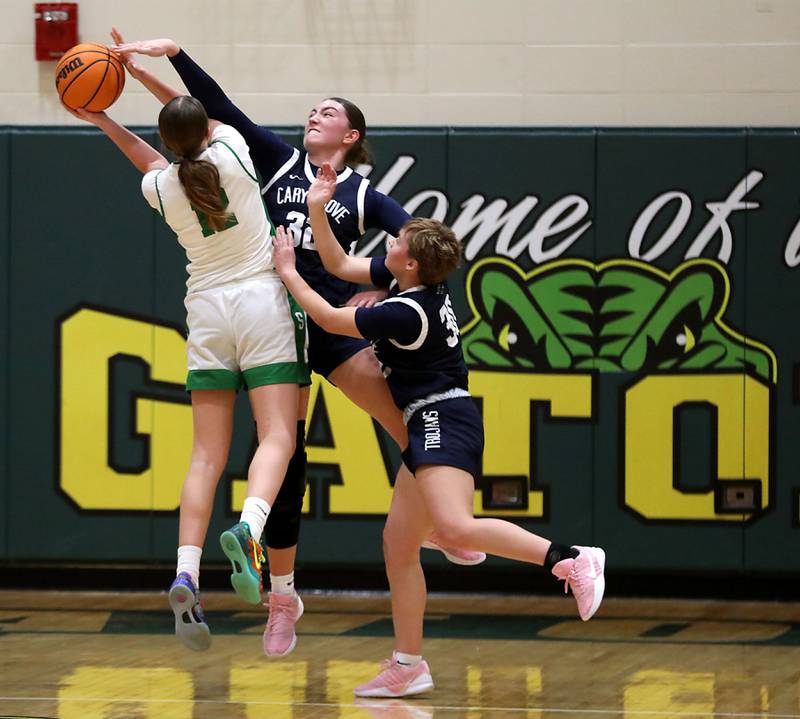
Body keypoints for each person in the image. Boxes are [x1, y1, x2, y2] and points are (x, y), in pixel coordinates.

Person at [110, 32, 485, 658]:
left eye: (330, 112)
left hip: (329, 327)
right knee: (287, 466)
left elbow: (422, 250)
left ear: (352, 138)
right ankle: (282, 597)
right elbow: (207, 107)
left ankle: (446, 523)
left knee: (408, 425)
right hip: (276, 320)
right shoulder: (278, 161)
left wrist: (380, 291)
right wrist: (166, 59)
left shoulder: (362, 194)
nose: (316, 114)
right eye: (314, 108)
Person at [272, 162, 607, 697]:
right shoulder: (408, 283)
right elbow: (335, 261)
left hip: (440, 418)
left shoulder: (406, 309)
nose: (390, 240)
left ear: (408, 260)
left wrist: (288, 271)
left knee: (453, 527)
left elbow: (331, 320)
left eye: (397, 240)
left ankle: (570, 558)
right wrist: (316, 204)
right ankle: (408, 664)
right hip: (431, 416)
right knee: (400, 544)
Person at [63, 96, 305, 651]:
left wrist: (101, 116)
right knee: (277, 435)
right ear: (203, 131)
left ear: (169, 140)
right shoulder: (233, 151)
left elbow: (148, 161)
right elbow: (219, 113)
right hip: (261, 300)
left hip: (207, 313)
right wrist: (152, 65)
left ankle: (186, 574)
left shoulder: (161, 188)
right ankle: (250, 528)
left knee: (204, 455)